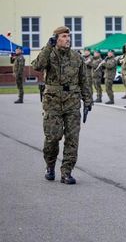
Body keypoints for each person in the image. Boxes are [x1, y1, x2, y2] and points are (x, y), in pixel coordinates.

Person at [31, 26, 92, 184]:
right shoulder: (49, 54)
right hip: (52, 102)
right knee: (53, 138)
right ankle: (50, 166)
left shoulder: (76, 57)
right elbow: (37, 66)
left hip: (72, 102)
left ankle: (66, 172)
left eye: (68, 36)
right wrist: (48, 47)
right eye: (64, 36)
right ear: (56, 38)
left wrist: (87, 101)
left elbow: (84, 80)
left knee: (72, 139)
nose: (68, 39)